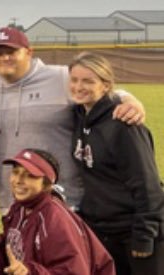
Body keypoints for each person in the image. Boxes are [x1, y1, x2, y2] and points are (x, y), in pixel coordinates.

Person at [0, 27, 146, 213]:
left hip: (64, 199)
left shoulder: (60, 77)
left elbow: (99, 89)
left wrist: (129, 100)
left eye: (11, 52)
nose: (4, 58)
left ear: (29, 52)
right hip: (13, 202)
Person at [67, 52, 164, 274]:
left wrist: (143, 236)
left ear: (105, 85)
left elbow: (148, 185)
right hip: (103, 232)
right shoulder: (79, 116)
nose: (79, 87)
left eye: (88, 81)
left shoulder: (124, 125)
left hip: (134, 233)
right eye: (74, 80)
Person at [2, 148, 114, 275]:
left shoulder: (56, 220)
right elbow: (20, 244)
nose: (18, 180)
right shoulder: (19, 207)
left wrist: (30, 272)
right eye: (15, 172)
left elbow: (76, 272)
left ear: (46, 185)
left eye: (30, 175)